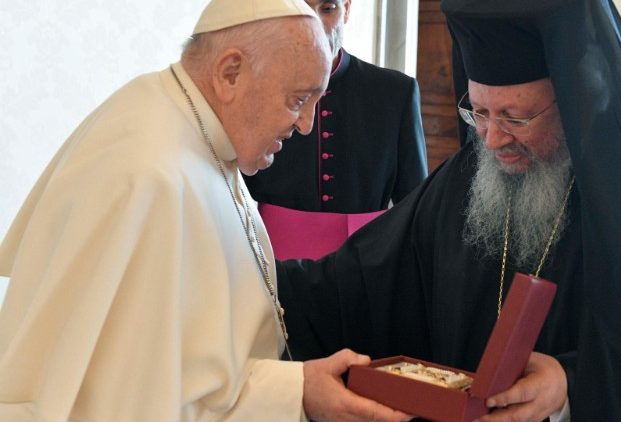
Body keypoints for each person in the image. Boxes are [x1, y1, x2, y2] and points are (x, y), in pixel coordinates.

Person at [277, 0, 621, 420]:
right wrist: (245, 275)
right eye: (478, 113)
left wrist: (571, 386)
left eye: (516, 117)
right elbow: (356, 285)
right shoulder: (467, 176)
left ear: (576, 97)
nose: (493, 139)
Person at [0, 1, 409, 421]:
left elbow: (186, 374)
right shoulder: (149, 176)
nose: (305, 124)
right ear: (230, 73)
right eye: (297, 100)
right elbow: (127, 404)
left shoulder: (201, 137)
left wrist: (299, 387)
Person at [242, 0, 428, 259]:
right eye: (301, 11)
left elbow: (416, 204)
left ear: (347, 9)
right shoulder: (251, 89)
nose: (315, 25)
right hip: (273, 262)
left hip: (368, 266)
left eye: (328, 9)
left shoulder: (396, 92)